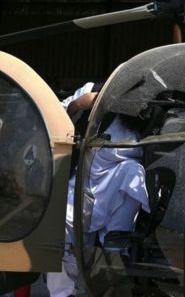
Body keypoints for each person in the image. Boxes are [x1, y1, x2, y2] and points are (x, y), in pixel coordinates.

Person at [47, 83, 149, 297]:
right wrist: (78, 105)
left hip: (116, 188)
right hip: (79, 187)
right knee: (60, 237)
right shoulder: (90, 89)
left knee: (113, 246)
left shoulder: (146, 103)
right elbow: (52, 117)